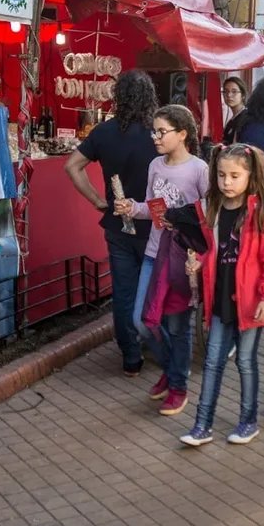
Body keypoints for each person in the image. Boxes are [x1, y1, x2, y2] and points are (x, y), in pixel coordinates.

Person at [180, 144, 264, 447]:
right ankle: (202, 424)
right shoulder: (210, 209)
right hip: (220, 299)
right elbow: (210, 250)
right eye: (221, 175)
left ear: (250, 175)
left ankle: (248, 421)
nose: (227, 182)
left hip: (251, 303)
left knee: (245, 361)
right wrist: (198, 262)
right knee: (213, 361)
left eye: (235, 176)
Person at [116, 104, 209, 415]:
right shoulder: (155, 165)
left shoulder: (199, 170)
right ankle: (171, 372)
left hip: (183, 258)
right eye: (153, 131)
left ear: (182, 134)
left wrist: (195, 244)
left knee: (178, 326)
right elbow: (151, 209)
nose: (155, 137)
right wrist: (132, 208)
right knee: (141, 322)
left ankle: (178, 386)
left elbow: (209, 217)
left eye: (161, 131)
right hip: (154, 255)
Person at [65, 71, 160, 376]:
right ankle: (154, 344)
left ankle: (130, 356)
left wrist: (96, 200)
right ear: (149, 98)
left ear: (118, 97)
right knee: (155, 288)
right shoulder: (158, 133)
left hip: (117, 224)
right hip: (153, 224)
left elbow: (72, 166)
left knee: (123, 291)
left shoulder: (104, 132)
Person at [221, 76, 248, 143]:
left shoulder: (245, 118)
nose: (229, 95)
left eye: (234, 91)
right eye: (226, 91)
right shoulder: (232, 120)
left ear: (243, 95)